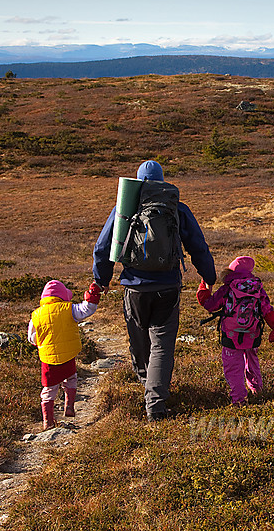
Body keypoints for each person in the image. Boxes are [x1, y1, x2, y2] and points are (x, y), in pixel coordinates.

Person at [93, 160, 216, 421]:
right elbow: (198, 245)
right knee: (162, 346)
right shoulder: (176, 208)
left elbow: (103, 248)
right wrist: (209, 276)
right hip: (168, 286)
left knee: (140, 342)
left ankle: (147, 385)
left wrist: (101, 280)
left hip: (134, 288)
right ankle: (155, 406)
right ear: (162, 180)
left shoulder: (124, 208)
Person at [196, 256, 274, 405]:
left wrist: (203, 289)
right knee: (252, 361)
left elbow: (210, 305)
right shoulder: (257, 287)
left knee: (233, 367)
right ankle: (257, 391)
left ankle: (239, 399)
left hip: (231, 335)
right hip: (252, 333)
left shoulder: (228, 287)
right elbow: (267, 309)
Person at [28, 280, 103, 430]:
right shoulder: (69, 309)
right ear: (63, 296)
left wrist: (42, 343)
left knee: (49, 389)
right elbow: (87, 309)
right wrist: (93, 295)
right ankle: (69, 406)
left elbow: (32, 338)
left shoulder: (36, 315)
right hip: (68, 355)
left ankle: (47, 421)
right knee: (71, 378)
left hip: (48, 359)